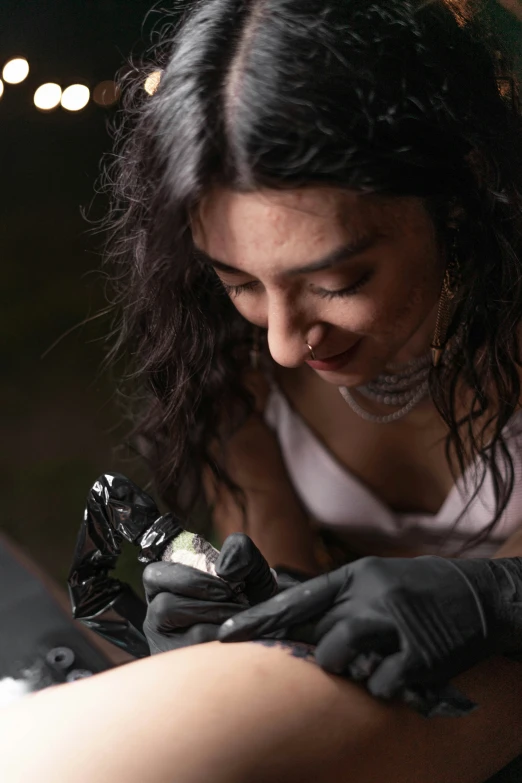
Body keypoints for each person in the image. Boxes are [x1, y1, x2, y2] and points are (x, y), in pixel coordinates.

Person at [3, 0, 522, 781]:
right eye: (240, 281)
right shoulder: (234, 358)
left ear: (456, 193)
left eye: (338, 279)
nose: (281, 340)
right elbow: (284, 580)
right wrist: (247, 612)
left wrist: (505, 595)